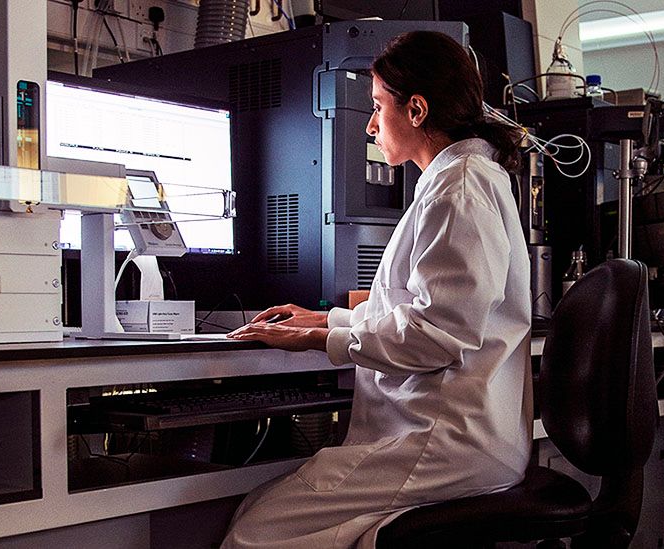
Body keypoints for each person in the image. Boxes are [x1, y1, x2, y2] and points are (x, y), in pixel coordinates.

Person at [222, 30, 532, 549]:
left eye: (376, 106)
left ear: (416, 110)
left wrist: (322, 340)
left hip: (446, 439)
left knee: (254, 535)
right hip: (448, 431)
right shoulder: (457, 180)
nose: (369, 125)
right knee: (265, 508)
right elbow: (415, 310)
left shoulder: (458, 188)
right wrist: (327, 319)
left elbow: (434, 336)